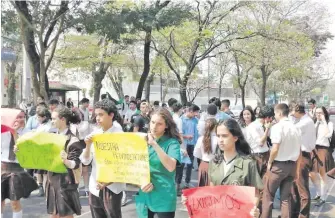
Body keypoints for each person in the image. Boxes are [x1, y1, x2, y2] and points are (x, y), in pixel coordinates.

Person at [183, 118, 262, 218]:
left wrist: (253, 209)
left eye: (224, 136)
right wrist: (190, 200)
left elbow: (255, 194)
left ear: (235, 137)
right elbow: (212, 193)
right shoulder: (214, 163)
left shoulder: (248, 163)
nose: (220, 140)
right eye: (218, 136)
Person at [80, 99, 126, 218]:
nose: (97, 118)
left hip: (112, 187)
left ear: (111, 115)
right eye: (96, 115)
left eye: (101, 115)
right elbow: (85, 161)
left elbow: (123, 164)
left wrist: (108, 181)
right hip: (94, 186)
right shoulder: (95, 134)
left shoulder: (119, 136)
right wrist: (88, 145)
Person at [135, 108, 181, 218]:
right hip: (144, 194)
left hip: (163, 196)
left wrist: (155, 145)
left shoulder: (172, 143)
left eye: (159, 124)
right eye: (152, 122)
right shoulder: (141, 140)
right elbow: (134, 168)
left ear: (166, 126)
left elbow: (171, 167)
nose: (154, 127)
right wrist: (139, 183)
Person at [262, 104, 302, 218]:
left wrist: (270, 162)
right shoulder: (296, 127)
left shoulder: (278, 127)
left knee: (268, 197)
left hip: (278, 166)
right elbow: (300, 151)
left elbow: (275, 148)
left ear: (279, 113)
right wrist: (297, 170)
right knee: (285, 199)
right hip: (292, 166)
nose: (274, 116)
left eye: (275, 114)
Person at [46, 106, 82, 218]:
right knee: (54, 214)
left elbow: (75, 164)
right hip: (52, 180)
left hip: (66, 182)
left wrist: (66, 160)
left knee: (65, 215)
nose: (52, 121)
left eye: (54, 118)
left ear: (62, 119)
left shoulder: (73, 139)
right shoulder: (51, 136)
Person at [2, 111, 38, 218]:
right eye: (17, 117)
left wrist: (14, 133)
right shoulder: (3, 131)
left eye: (22, 117)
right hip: (2, 166)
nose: (20, 119)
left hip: (17, 168)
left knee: (15, 201)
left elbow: (23, 152)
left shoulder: (28, 133)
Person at [290, 102, 316, 218]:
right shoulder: (304, 121)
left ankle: (303, 215)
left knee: (302, 189)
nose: (291, 113)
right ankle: (296, 214)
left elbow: (291, 129)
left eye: (292, 111)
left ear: (296, 110)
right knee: (295, 187)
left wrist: (289, 117)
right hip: (299, 156)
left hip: (303, 157)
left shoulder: (306, 122)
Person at [310, 106, 334, 207]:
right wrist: (316, 122)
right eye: (317, 113)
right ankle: (319, 192)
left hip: (324, 150)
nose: (318, 115)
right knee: (311, 173)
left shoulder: (329, 123)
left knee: (323, 175)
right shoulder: (314, 123)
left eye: (320, 113)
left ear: (325, 113)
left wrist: (324, 122)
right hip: (314, 149)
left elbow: (328, 135)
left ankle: (323, 197)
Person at [176, 104, 200, 189]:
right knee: (181, 165)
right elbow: (178, 134)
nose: (196, 114)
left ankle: (187, 183)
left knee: (190, 165)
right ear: (190, 111)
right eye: (195, 113)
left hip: (193, 145)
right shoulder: (181, 120)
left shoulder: (196, 120)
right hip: (183, 145)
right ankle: (178, 183)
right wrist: (186, 136)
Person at [193, 118, 217, 186]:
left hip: (204, 164)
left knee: (202, 189)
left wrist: (204, 156)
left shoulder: (201, 139)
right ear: (215, 127)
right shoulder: (218, 139)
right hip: (215, 165)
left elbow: (196, 154)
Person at [34, 107, 53, 197]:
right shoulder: (41, 125)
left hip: (46, 151)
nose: (37, 119)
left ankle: (46, 189)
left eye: (39, 117)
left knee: (45, 173)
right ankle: (41, 186)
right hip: (39, 151)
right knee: (39, 171)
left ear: (44, 117)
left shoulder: (49, 126)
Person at [76, 98, 91, 197]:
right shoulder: (77, 110)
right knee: (77, 168)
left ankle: (86, 188)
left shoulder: (86, 121)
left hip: (84, 143)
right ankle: (76, 188)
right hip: (77, 144)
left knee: (85, 169)